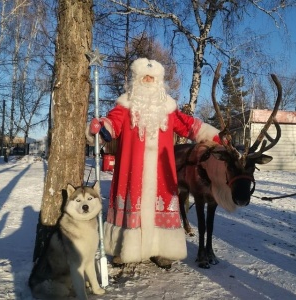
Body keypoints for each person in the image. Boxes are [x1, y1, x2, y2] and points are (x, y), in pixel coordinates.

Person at [86, 58, 221, 269]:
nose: (148, 81)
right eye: (144, 77)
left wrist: (217, 137)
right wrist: (101, 127)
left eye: (152, 78)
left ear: (159, 81)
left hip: (161, 170)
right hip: (133, 169)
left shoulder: (168, 108)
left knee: (160, 205)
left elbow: (189, 126)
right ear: (136, 80)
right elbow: (112, 124)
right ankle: (124, 248)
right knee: (131, 205)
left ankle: (160, 249)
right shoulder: (125, 106)